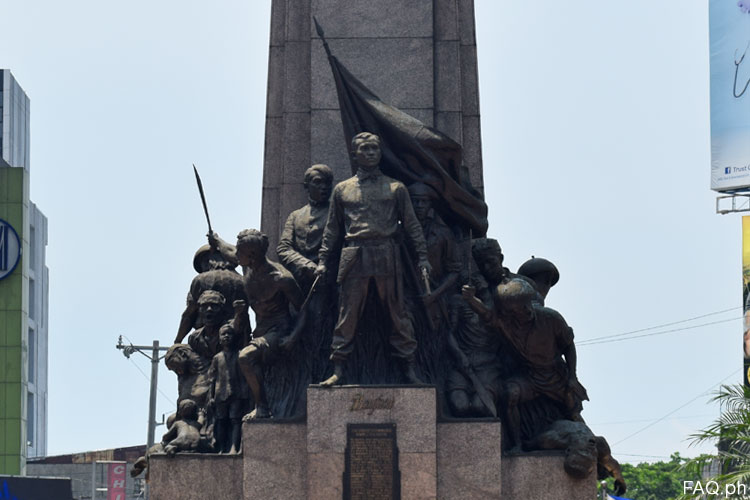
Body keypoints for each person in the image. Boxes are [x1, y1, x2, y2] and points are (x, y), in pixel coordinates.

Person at [315, 132, 431, 386]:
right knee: (347, 314)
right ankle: (338, 369)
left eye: (375, 149)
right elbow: (332, 229)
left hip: (386, 252)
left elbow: (412, 226)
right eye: (365, 149)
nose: (370, 153)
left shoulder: (396, 188)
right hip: (353, 253)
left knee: (398, 313)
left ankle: (409, 369)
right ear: (355, 154)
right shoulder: (342, 190)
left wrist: (423, 257)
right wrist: (323, 260)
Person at [462, 278, 588, 452]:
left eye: (527, 303)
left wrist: (573, 377)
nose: (527, 310)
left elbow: (568, 346)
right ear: (509, 313)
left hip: (557, 376)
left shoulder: (550, 317)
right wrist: (470, 299)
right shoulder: (506, 324)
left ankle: (593, 452)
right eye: (520, 308)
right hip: (531, 377)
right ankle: (517, 445)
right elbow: (486, 313)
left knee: (574, 413)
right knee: (510, 393)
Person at [212, 229, 304, 419]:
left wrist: (293, 337)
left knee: (245, 357)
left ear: (252, 256)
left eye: (240, 252)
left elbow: (304, 310)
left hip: (278, 330)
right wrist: (216, 240)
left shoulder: (281, 278)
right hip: (259, 331)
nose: (236, 256)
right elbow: (228, 250)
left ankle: (262, 408)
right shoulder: (248, 267)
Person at [175, 239, 246, 344]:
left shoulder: (200, 280)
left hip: (206, 340)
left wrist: (178, 340)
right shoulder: (243, 281)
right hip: (237, 339)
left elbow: (189, 314)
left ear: (207, 261)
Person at [277, 164, 334, 293]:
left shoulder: (337, 213)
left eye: (327, 183)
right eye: (318, 182)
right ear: (306, 185)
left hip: (329, 281)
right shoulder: (295, 216)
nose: (324, 187)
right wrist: (306, 266)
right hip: (299, 280)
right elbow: (283, 248)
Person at [208, 323, 250, 454]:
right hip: (220, 394)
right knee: (221, 421)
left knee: (235, 420)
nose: (226, 336)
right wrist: (211, 397)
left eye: (229, 334)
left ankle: (234, 447)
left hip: (237, 393)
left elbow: (244, 376)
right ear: (219, 338)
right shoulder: (217, 358)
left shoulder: (240, 355)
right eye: (223, 334)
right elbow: (212, 379)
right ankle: (221, 447)